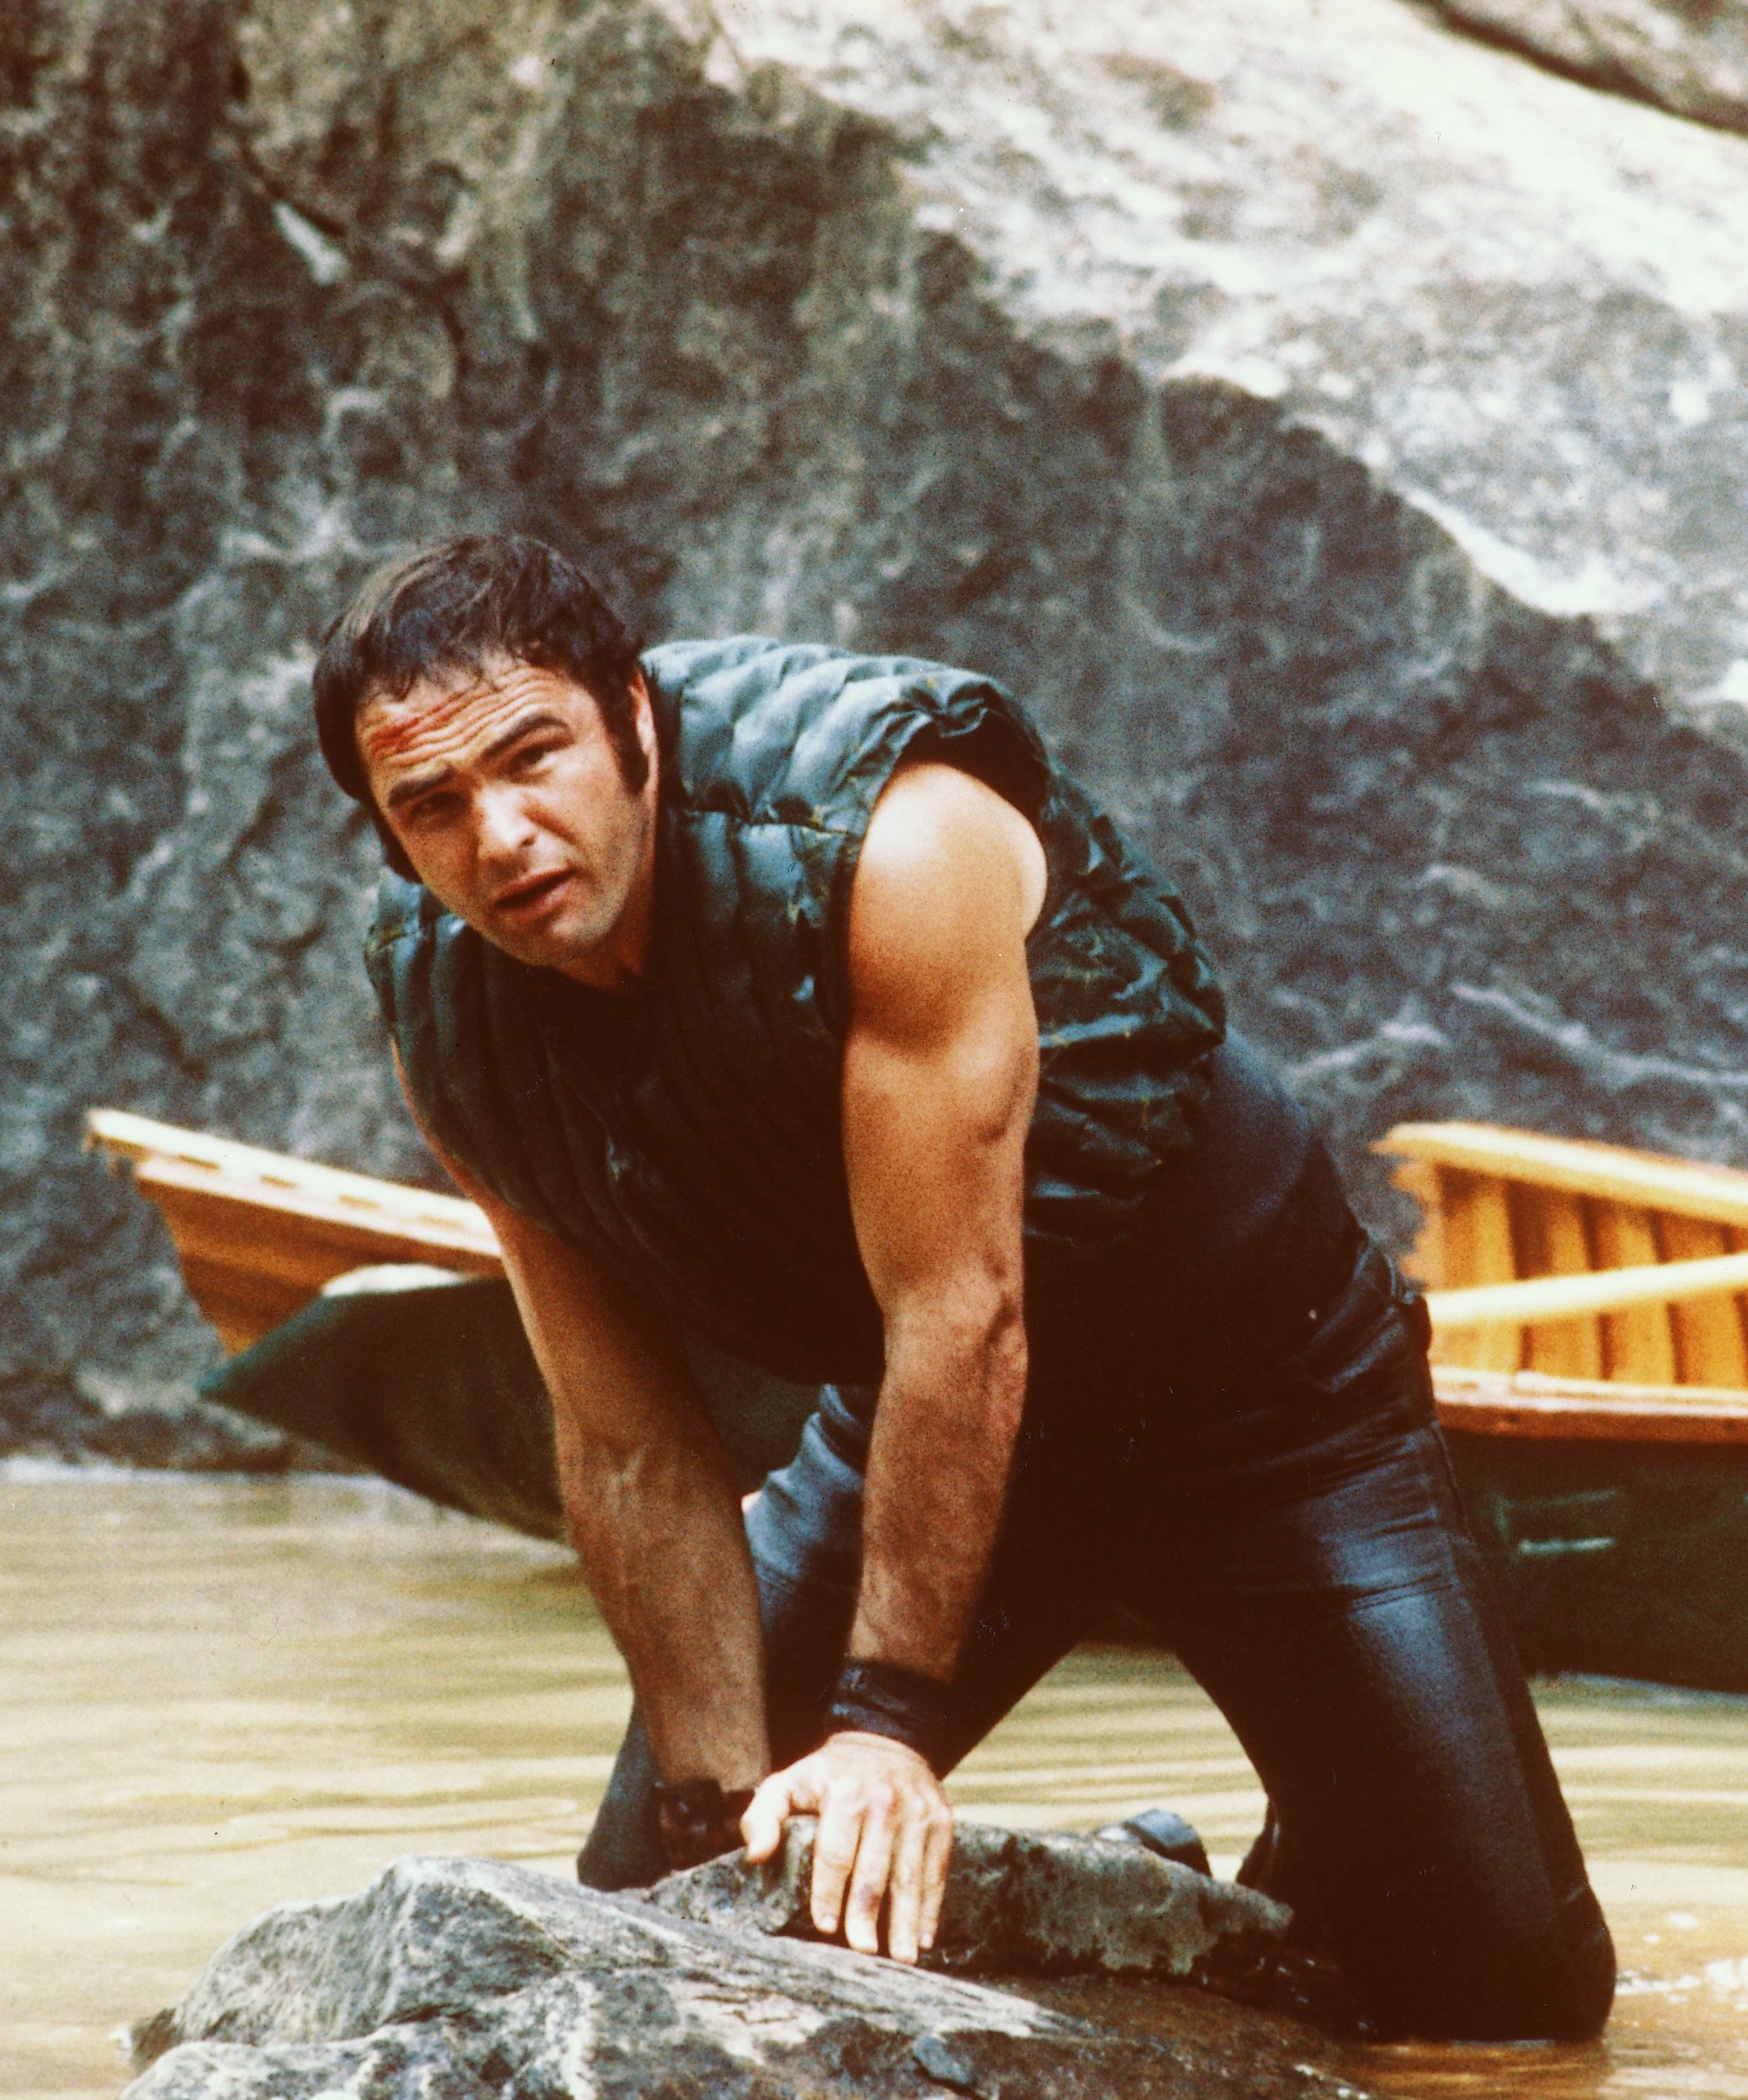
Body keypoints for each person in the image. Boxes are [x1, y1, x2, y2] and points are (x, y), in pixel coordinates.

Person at [308, 530, 1616, 2040]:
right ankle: (1131, 1896)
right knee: (644, 1922)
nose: (503, 836)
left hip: (1261, 1415)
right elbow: (627, 1438)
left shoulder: (889, 839)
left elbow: (965, 1308)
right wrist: (715, 1829)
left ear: (635, 723)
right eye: (434, 808)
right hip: (917, 1433)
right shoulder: (447, 1006)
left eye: (535, 757)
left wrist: (884, 1730)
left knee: (1502, 2012)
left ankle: (1279, 1877)